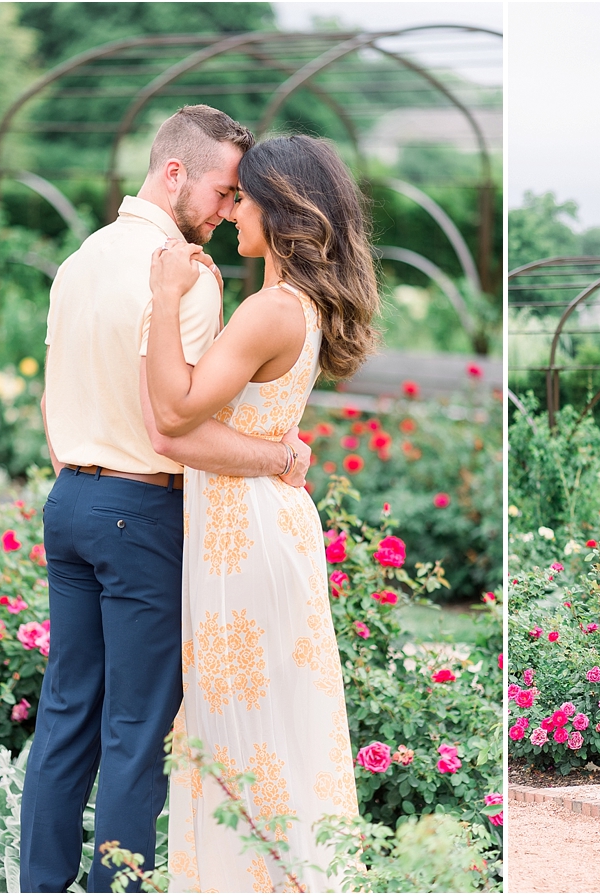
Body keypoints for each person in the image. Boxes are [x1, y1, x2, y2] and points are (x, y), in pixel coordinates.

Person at [21, 105, 309, 893]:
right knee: (137, 729)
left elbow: (53, 400)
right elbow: (182, 426)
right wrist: (280, 454)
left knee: (66, 714)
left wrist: (84, 468)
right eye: (221, 192)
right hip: (142, 512)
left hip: (68, 501)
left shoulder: (79, 260)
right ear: (173, 172)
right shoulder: (183, 272)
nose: (226, 210)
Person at [145, 134, 379, 892]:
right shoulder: (298, 306)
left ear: (278, 210)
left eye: (243, 197)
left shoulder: (272, 308)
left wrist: (162, 297)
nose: (233, 209)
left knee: (240, 730)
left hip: (244, 537)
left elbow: (177, 411)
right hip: (257, 526)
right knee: (270, 726)